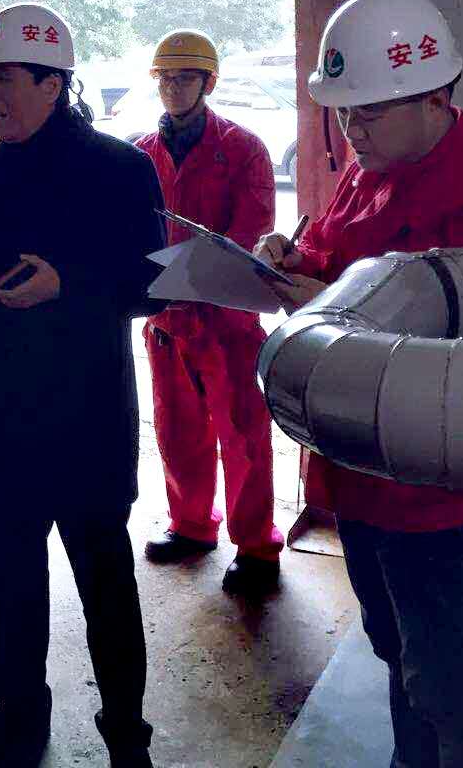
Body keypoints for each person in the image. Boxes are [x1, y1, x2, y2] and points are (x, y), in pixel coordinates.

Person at [254, 0, 463, 768]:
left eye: (369, 115)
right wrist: (290, 258)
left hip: (439, 503)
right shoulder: (373, 169)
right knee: (395, 651)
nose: (352, 132)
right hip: (363, 476)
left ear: (435, 101)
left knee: (454, 683)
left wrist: (327, 307)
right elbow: (333, 249)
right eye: (343, 115)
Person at [0, 3, 166, 768]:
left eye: (5, 78)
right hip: (4, 413)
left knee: (106, 581)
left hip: (88, 413)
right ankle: (19, 717)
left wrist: (71, 283)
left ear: (53, 83)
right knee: (12, 578)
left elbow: (155, 287)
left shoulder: (120, 169)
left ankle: (126, 735)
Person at [135, 30, 285, 596]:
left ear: (209, 83)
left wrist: (190, 278)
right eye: (165, 78)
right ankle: (191, 525)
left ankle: (256, 546)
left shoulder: (243, 149)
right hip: (167, 322)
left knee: (242, 436)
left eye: (185, 78)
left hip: (227, 321)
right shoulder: (141, 153)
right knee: (177, 430)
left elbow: (250, 232)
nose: (173, 88)